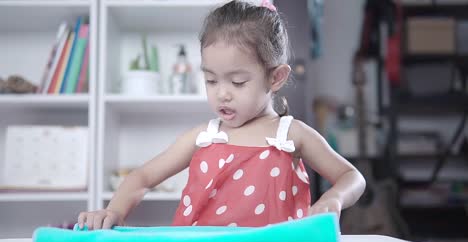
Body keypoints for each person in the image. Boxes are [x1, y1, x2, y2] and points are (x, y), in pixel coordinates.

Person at [77, 0, 366, 230]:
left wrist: (334, 198)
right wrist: (113, 210)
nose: (222, 94)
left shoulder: (290, 134)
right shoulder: (205, 136)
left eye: (237, 82)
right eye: (211, 81)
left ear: (276, 77)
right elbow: (141, 177)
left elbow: (352, 177)